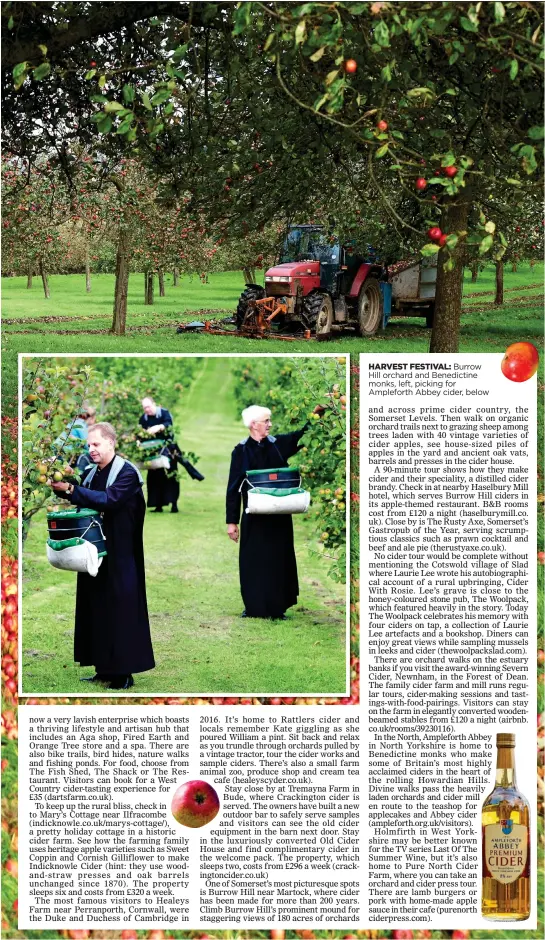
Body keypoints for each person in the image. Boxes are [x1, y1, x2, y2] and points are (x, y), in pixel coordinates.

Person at [50, 422, 155, 690]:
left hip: (121, 553)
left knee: (121, 609)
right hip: (94, 551)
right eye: (89, 445)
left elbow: (109, 500)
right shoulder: (90, 471)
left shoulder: (127, 473)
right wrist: (57, 478)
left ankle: (123, 673)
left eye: (96, 444)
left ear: (111, 443)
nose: (91, 449)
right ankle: (102, 668)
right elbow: (78, 492)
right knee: (95, 607)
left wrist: (72, 491)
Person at [226, 404, 323, 620]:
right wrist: (232, 522)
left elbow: (301, 435)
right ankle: (254, 607)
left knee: (279, 559)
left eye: (270, 420)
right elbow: (233, 488)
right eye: (266, 421)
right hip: (254, 517)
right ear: (253, 425)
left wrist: (317, 413)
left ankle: (278, 608)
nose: (270, 424)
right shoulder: (240, 451)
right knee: (254, 561)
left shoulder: (279, 444)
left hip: (279, 516)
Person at [138, 397, 180, 513]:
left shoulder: (164, 413)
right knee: (154, 478)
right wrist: (138, 440)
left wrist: (159, 427)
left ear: (154, 404)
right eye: (144, 408)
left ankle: (174, 504)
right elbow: (140, 433)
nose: (147, 410)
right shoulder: (144, 418)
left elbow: (168, 424)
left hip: (169, 449)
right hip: (152, 451)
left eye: (148, 407)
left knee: (171, 476)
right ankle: (158, 505)